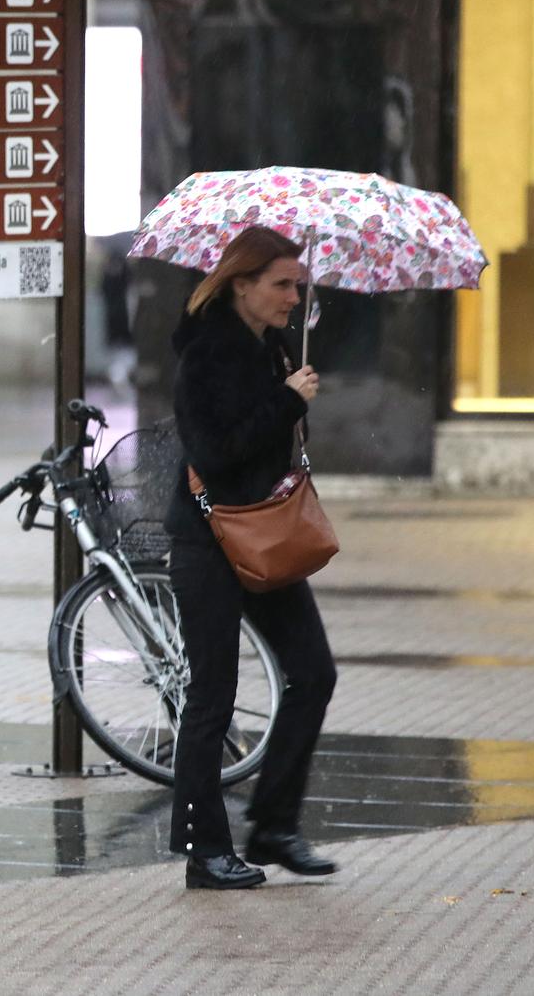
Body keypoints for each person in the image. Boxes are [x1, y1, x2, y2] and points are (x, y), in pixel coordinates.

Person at [163, 225, 339, 891]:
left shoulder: (268, 348)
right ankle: (202, 849)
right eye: (282, 284)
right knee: (211, 698)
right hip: (210, 540)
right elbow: (217, 452)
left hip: (263, 534)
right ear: (242, 282)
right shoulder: (209, 353)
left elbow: (266, 442)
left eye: (299, 284)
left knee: (313, 672)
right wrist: (287, 399)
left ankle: (273, 824)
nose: (295, 297)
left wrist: (291, 397)